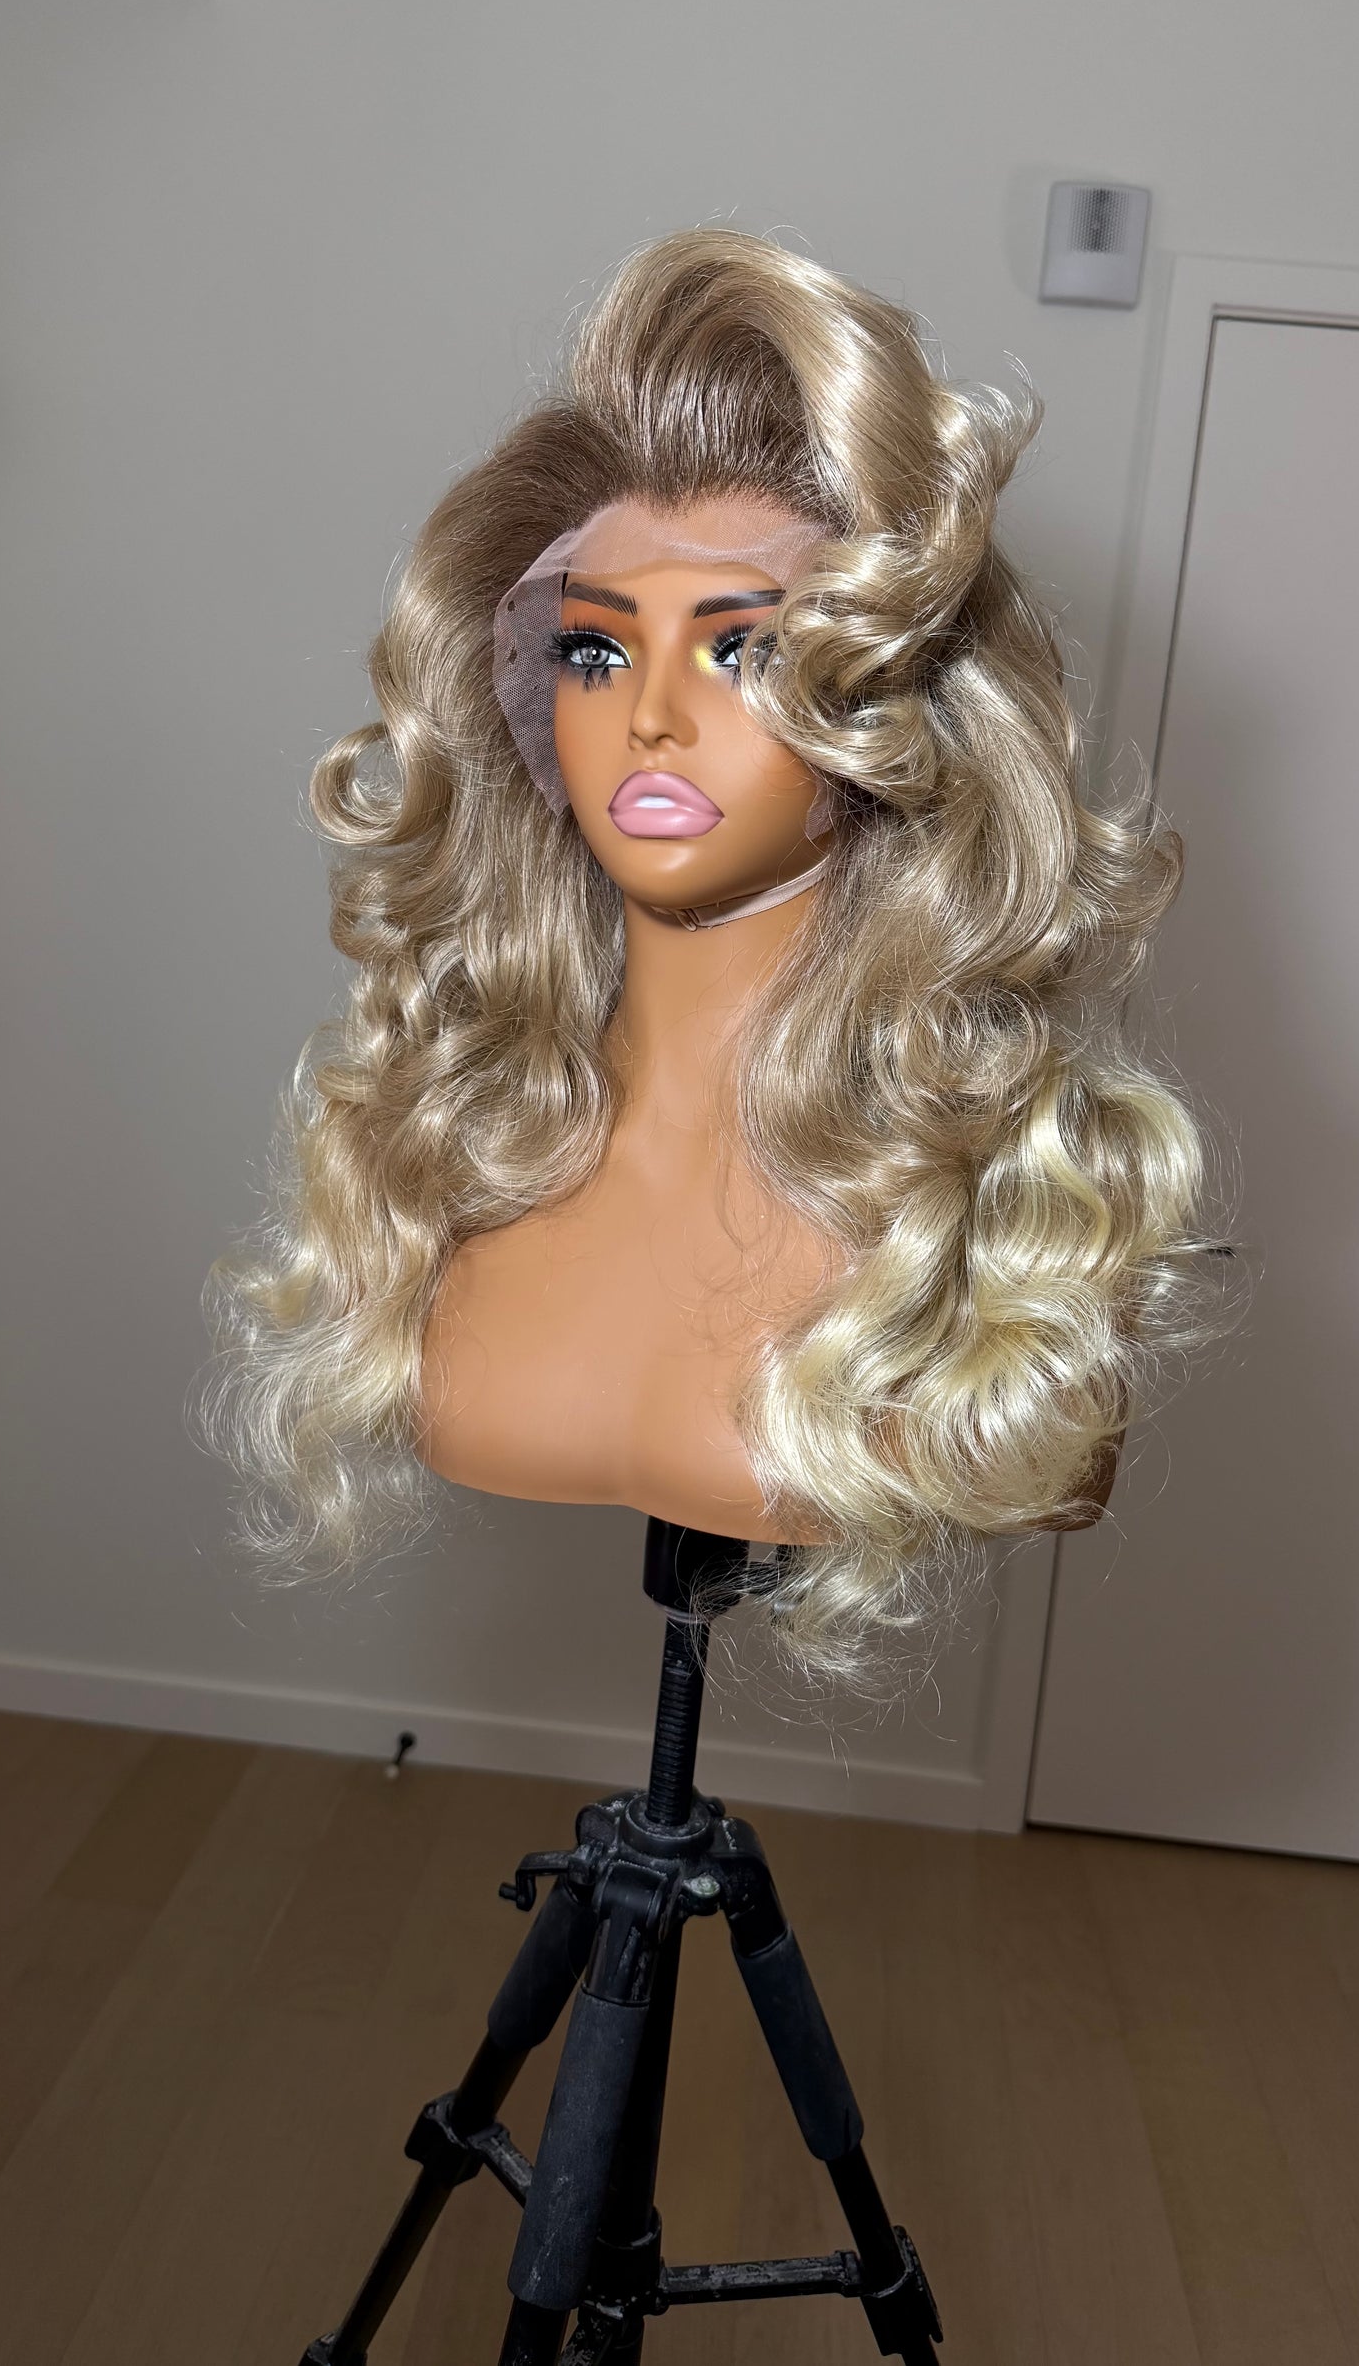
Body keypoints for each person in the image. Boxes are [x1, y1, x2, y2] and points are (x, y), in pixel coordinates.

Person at [205, 230, 1211, 1681]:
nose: (651, 717)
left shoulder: (1016, 1215)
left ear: (890, 705)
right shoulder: (452, 1144)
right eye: (596, 652)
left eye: (740, 650)